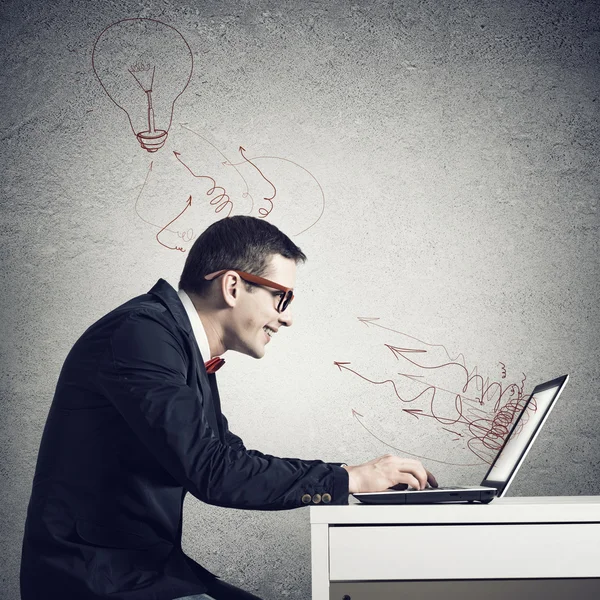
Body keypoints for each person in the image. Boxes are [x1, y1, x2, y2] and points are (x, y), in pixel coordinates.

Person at [20, 216, 437, 600]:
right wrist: (350, 479)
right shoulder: (140, 334)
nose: (286, 319)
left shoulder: (176, 343)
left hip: (145, 570)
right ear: (233, 286)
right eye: (281, 298)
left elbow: (229, 460)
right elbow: (212, 471)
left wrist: (349, 477)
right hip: (93, 579)